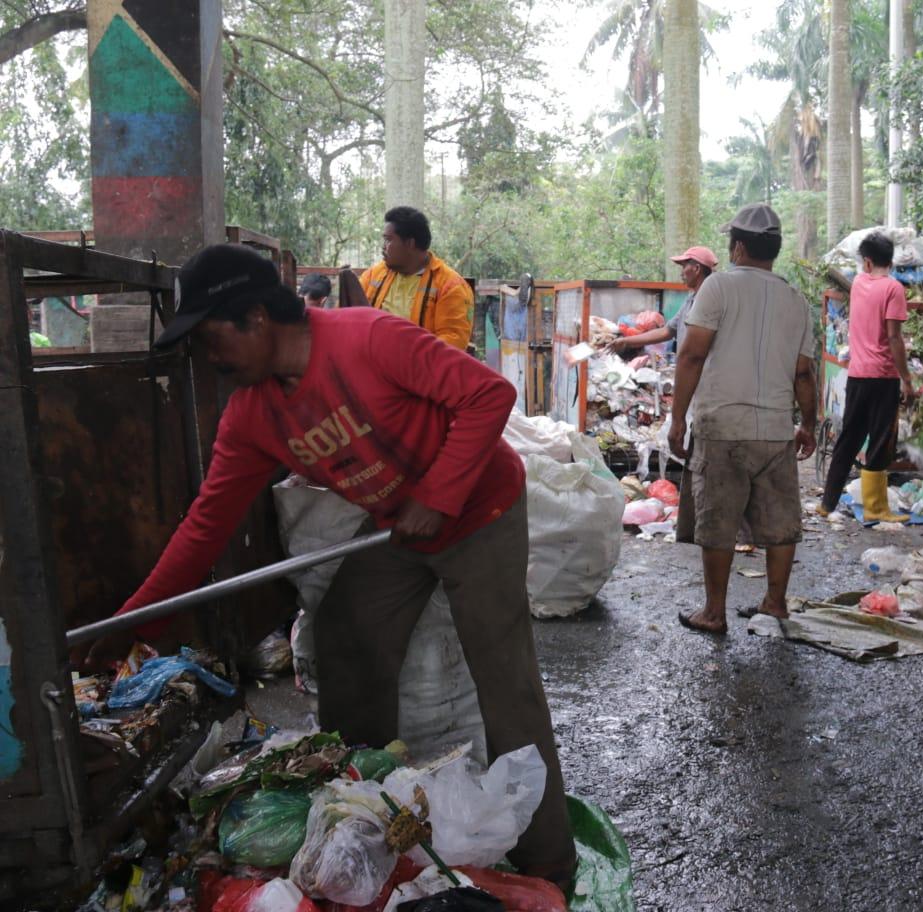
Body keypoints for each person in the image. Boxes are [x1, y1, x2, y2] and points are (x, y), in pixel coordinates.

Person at [81, 244, 577, 888]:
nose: (209, 357)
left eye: (210, 337)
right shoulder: (251, 416)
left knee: (504, 683)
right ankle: (364, 819)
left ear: (256, 318)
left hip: (481, 509)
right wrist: (130, 624)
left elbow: (489, 394)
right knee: (344, 638)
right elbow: (204, 528)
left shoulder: (368, 339)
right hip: (399, 527)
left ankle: (548, 864)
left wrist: (438, 496)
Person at [668, 203, 817, 634]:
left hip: (722, 428)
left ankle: (714, 612)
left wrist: (678, 419)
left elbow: (691, 354)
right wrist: (808, 424)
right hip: (775, 430)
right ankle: (775, 602)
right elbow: (803, 373)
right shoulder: (796, 300)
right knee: (781, 521)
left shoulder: (717, 288)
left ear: (737, 247)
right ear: (775, 249)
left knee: (717, 520)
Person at [817, 231, 914, 522]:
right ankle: (875, 508)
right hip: (883, 376)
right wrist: (907, 379)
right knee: (881, 440)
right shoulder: (893, 289)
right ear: (890, 261)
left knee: (849, 438)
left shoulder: (859, 283)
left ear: (867, 262)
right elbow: (894, 337)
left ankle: (827, 503)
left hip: (858, 374)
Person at [359, 206, 474, 350]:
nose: (383, 247)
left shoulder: (450, 286)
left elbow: (452, 341)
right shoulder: (373, 275)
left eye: (388, 240)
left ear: (410, 244)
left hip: (418, 363)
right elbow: (350, 317)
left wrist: (405, 355)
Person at [606, 245, 719, 356]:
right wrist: (626, 341)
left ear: (697, 269)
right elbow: (667, 331)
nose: (681, 273)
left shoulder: (710, 302)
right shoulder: (690, 300)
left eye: (684, 267)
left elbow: (696, 350)